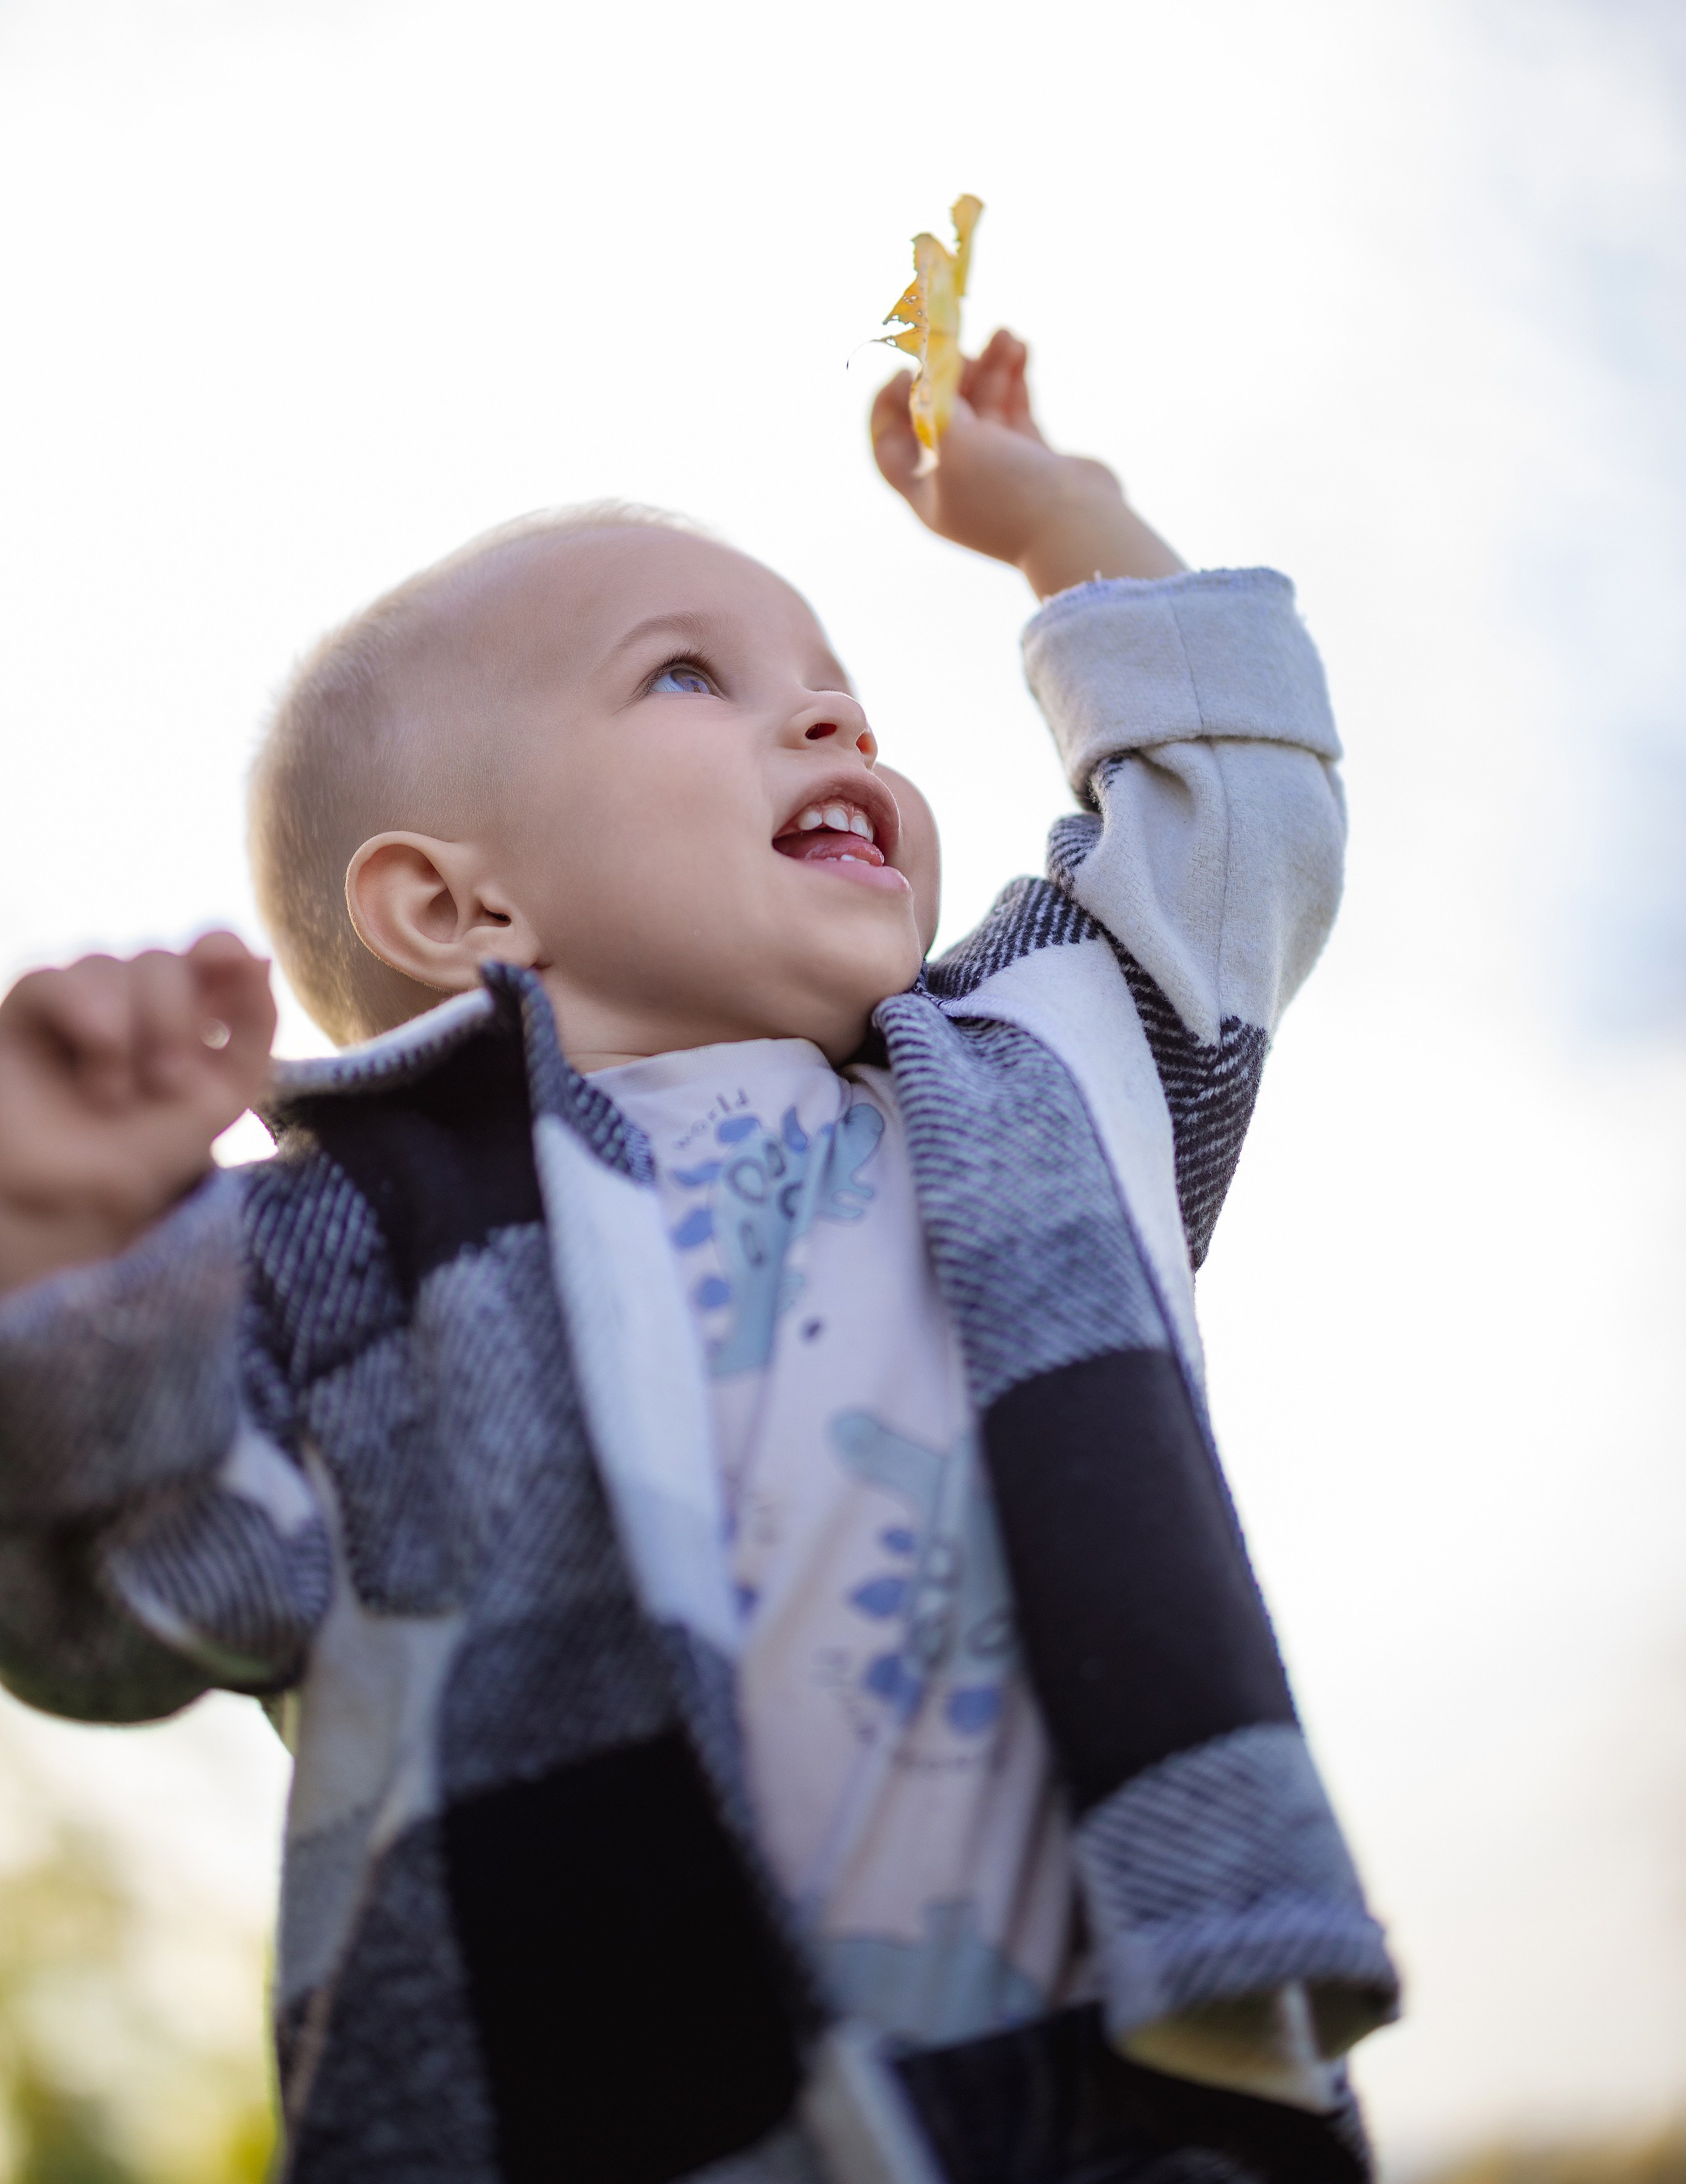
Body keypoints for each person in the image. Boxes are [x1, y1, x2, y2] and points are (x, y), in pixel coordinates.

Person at [0, 329, 1398, 2184]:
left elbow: (1234, 819)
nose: (836, 725)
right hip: (590, 2112)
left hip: (1140, 2086)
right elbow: (119, 1607)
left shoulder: (1034, 1082)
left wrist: (1065, 519)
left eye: (838, 694)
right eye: (687, 676)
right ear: (459, 907)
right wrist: (75, 1247)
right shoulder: (344, 1248)